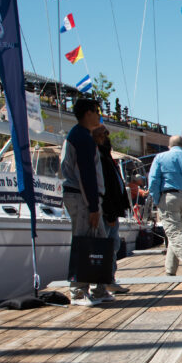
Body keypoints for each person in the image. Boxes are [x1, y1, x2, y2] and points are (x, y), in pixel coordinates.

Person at [60, 97, 111, 306]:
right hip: (81, 197)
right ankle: (78, 292)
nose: (99, 115)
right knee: (82, 240)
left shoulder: (83, 135)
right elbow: (86, 174)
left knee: (99, 240)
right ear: (88, 113)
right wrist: (92, 206)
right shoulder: (81, 137)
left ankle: (100, 288)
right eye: (97, 111)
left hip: (85, 197)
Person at [147, 135, 182, 276]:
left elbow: (153, 181)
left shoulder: (160, 158)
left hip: (168, 196)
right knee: (179, 234)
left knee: (173, 233)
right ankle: (170, 270)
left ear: (169, 146)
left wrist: (156, 199)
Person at [92, 125, 132, 294]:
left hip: (112, 210)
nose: (107, 139)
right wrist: (109, 212)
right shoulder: (100, 158)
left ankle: (109, 280)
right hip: (108, 211)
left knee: (112, 246)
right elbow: (104, 187)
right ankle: (104, 282)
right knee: (107, 246)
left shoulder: (106, 157)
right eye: (103, 136)